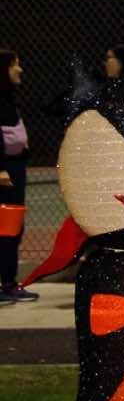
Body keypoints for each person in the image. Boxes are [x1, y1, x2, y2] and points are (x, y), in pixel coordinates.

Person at [0, 49, 31, 303]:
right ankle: (7, 284)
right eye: (15, 64)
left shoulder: (7, 96)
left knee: (12, 229)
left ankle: (9, 283)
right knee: (7, 229)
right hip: (5, 172)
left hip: (14, 167)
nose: (19, 69)